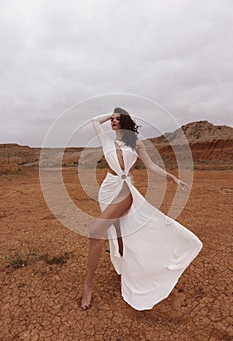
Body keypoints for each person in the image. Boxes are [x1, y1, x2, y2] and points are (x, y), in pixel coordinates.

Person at [80, 107, 203, 310]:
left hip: (124, 190)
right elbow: (94, 120)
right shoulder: (107, 141)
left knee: (96, 233)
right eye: (112, 119)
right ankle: (123, 270)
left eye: (117, 119)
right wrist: (111, 113)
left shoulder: (135, 143)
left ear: (125, 121)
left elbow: (151, 166)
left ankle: (88, 284)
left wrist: (172, 177)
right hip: (107, 189)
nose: (113, 122)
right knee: (119, 234)